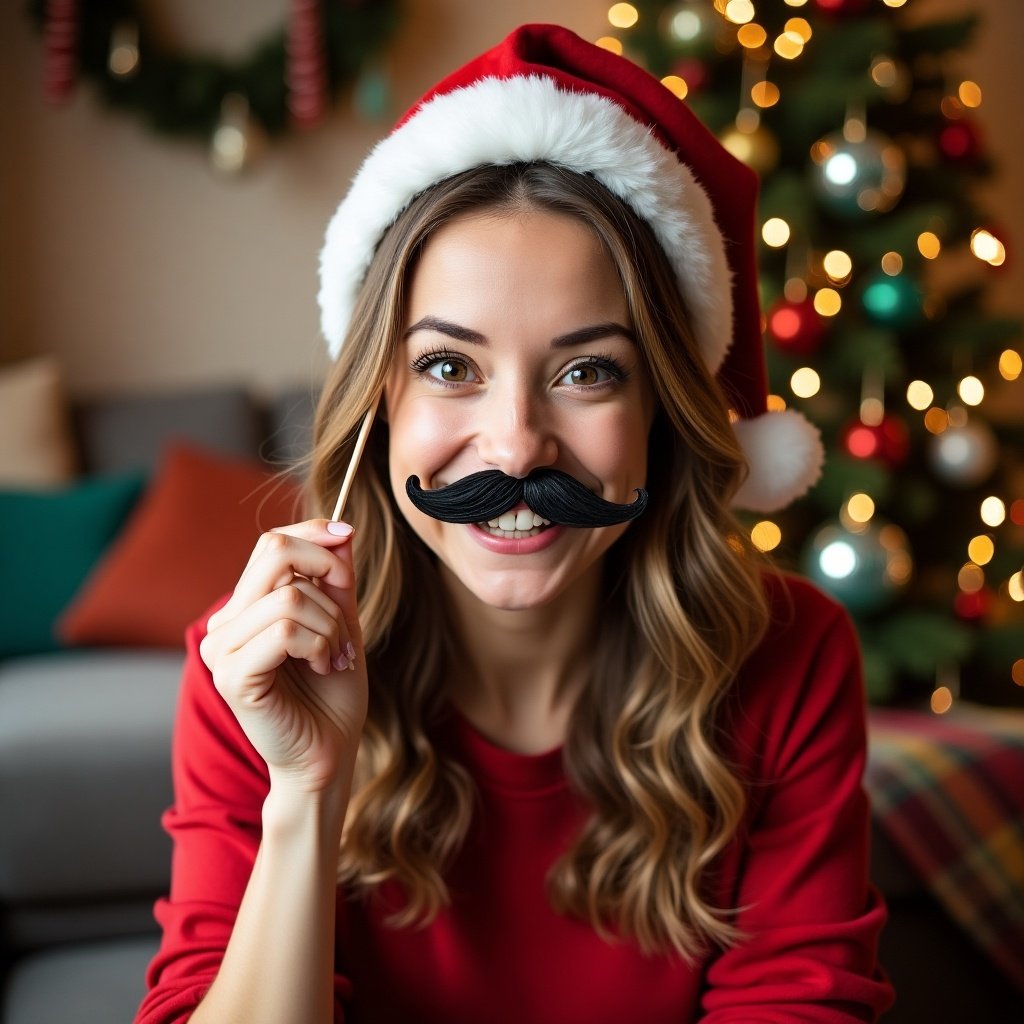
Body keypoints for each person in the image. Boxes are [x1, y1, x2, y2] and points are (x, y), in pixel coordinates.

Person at [135, 24, 893, 1024]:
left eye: (588, 372)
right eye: (450, 367)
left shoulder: (788, 657)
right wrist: (305, 794)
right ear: (381, 405)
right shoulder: (253, 670)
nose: (517, 448)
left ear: (664, 413)